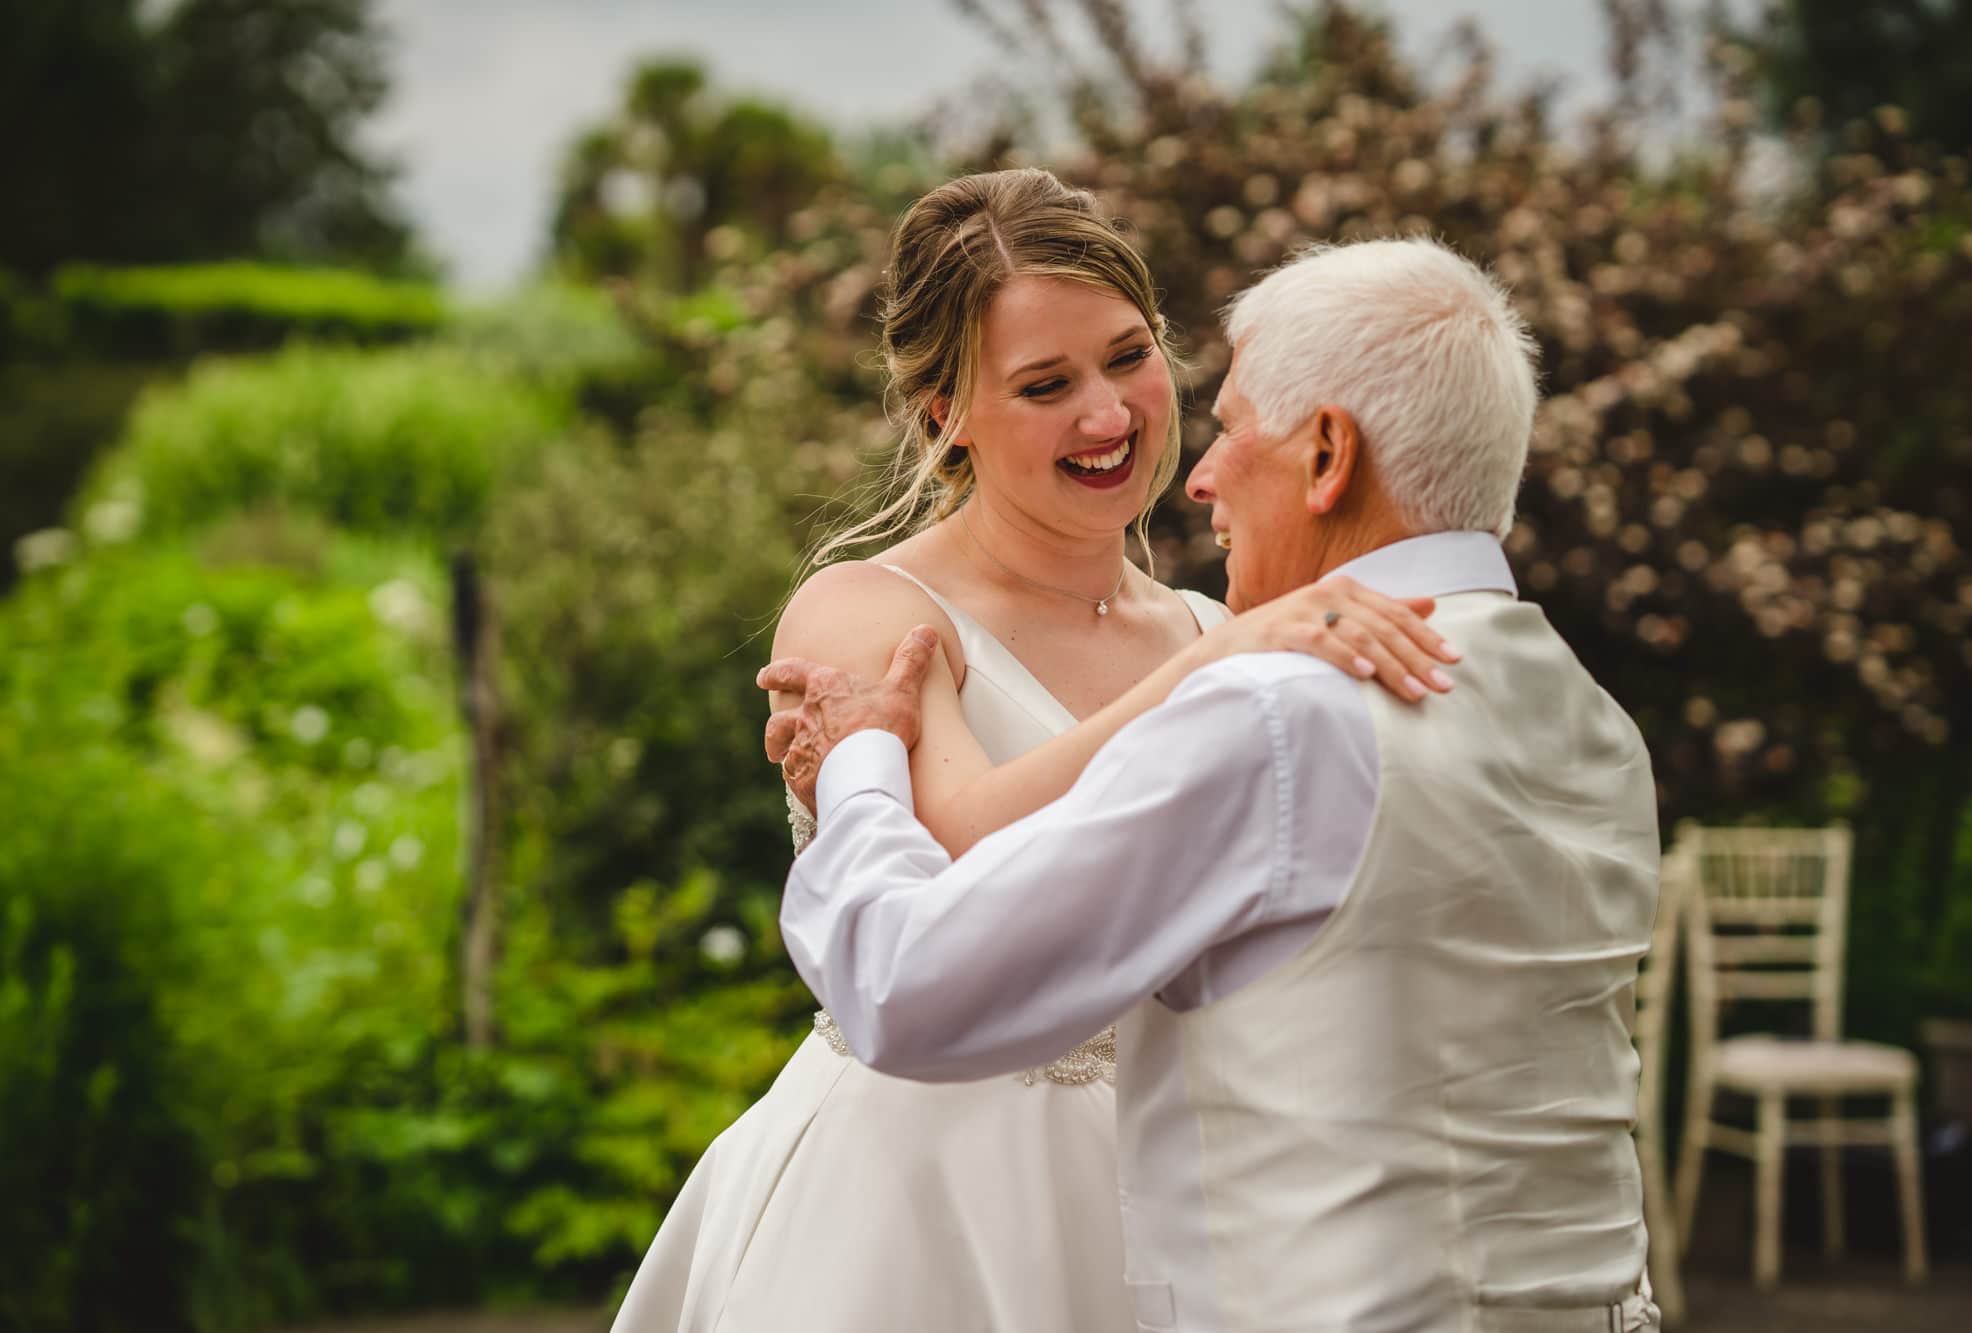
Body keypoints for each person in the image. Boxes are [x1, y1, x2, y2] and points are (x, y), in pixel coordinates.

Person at [610, 171, 1455, 1333]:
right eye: (1045, 384)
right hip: (915, 1205)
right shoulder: (871, 610)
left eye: (1127, 356)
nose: (1107, 415)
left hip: (1169, 1197)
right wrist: (1210, 672)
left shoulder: (1212, 629)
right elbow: (960, 843)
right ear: (941, 413)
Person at [770, 237, 1663, 1333]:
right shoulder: (1591, 725)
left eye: (1232, 427)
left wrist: (860, 760)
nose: (1193, 469)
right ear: (943, 412)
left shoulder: (1276, 709)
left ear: (1326, 454)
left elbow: (905, 981)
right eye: (1046, 384)